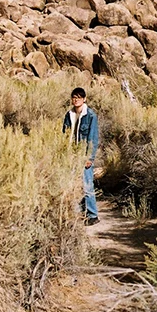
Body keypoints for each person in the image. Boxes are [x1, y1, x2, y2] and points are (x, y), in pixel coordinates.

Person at [62, 87, 99, 225]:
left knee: (87, 185)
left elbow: (93, 138)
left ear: (84, 99)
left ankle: (93, 215)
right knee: (73, 185)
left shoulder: (90, 116)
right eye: (74, 97)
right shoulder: (69, 115)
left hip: (83, 155)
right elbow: (65, 134)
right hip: (71, 155)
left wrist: (90, 157)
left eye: (79, 97)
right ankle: (77, 214)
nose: (76, 99)